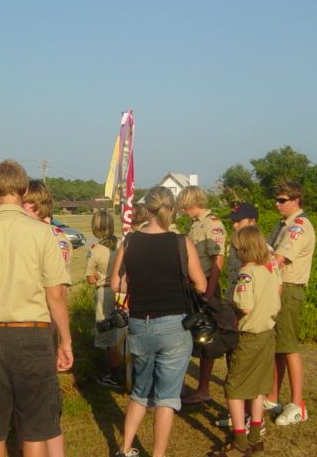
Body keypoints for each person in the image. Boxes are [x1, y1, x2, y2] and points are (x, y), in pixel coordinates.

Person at [0, 160, 73, 457]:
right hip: (33, 336)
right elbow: (56, 294)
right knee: (35, 427)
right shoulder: (42, 232)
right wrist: (66, 341)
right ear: (23, 191)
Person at [110, 186, 207, 457]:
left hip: (140, 323)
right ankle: (158, 454)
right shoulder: (181, 242)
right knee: (166, 397)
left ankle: (126, 447)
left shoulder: (129, 241)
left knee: (140, 392)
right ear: (172, 209)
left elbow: (116, 284)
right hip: (175, 324)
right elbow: (200, 284)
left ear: (148, 209)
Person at [210, 225, 281, 457]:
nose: (236, 253)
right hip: (268, 334)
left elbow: (245, 306)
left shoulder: (246, 274)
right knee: (259, 387)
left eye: (237, 249)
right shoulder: (269, 270)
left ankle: (240, 440)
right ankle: (255, 437)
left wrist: (226, 306)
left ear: (243, 249)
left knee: (235, 388)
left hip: (248, 338)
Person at [21, 179, 72, 457]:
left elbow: (57, 291)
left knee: (37, 406)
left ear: (32, 205)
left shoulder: (36, 235)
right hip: (45, 322)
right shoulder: (58, 236)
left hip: (37, 321)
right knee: (44, 403)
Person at [265, 181, 316, 426]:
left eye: (282, 200)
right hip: (278, 289)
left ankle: (298, 404)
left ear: (296, 200)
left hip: (289, 290)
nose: (277, 204)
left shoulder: (299, 226)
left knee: (289, 346)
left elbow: (279, 259)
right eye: (277, 199)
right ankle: (273, 397)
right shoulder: (282, 225)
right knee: (277, 348)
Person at [176, 185, 227, 405]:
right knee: (190, 333)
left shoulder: (213, 225)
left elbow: (218, 261)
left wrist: (208, 291)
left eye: (185, 205)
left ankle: (203, 389)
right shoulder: (194, 225)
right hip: (193, 287)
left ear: (193, 202)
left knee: (207, 338)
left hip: (206, 286)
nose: (183, 210)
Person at [85, 209, 121, 388]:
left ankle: (113, 374)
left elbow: (90, 279)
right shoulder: (122, 243)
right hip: (123, 292)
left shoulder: (95, 250)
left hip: (105, 292)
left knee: (108, 334)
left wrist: (97, 276)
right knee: (123, 332)